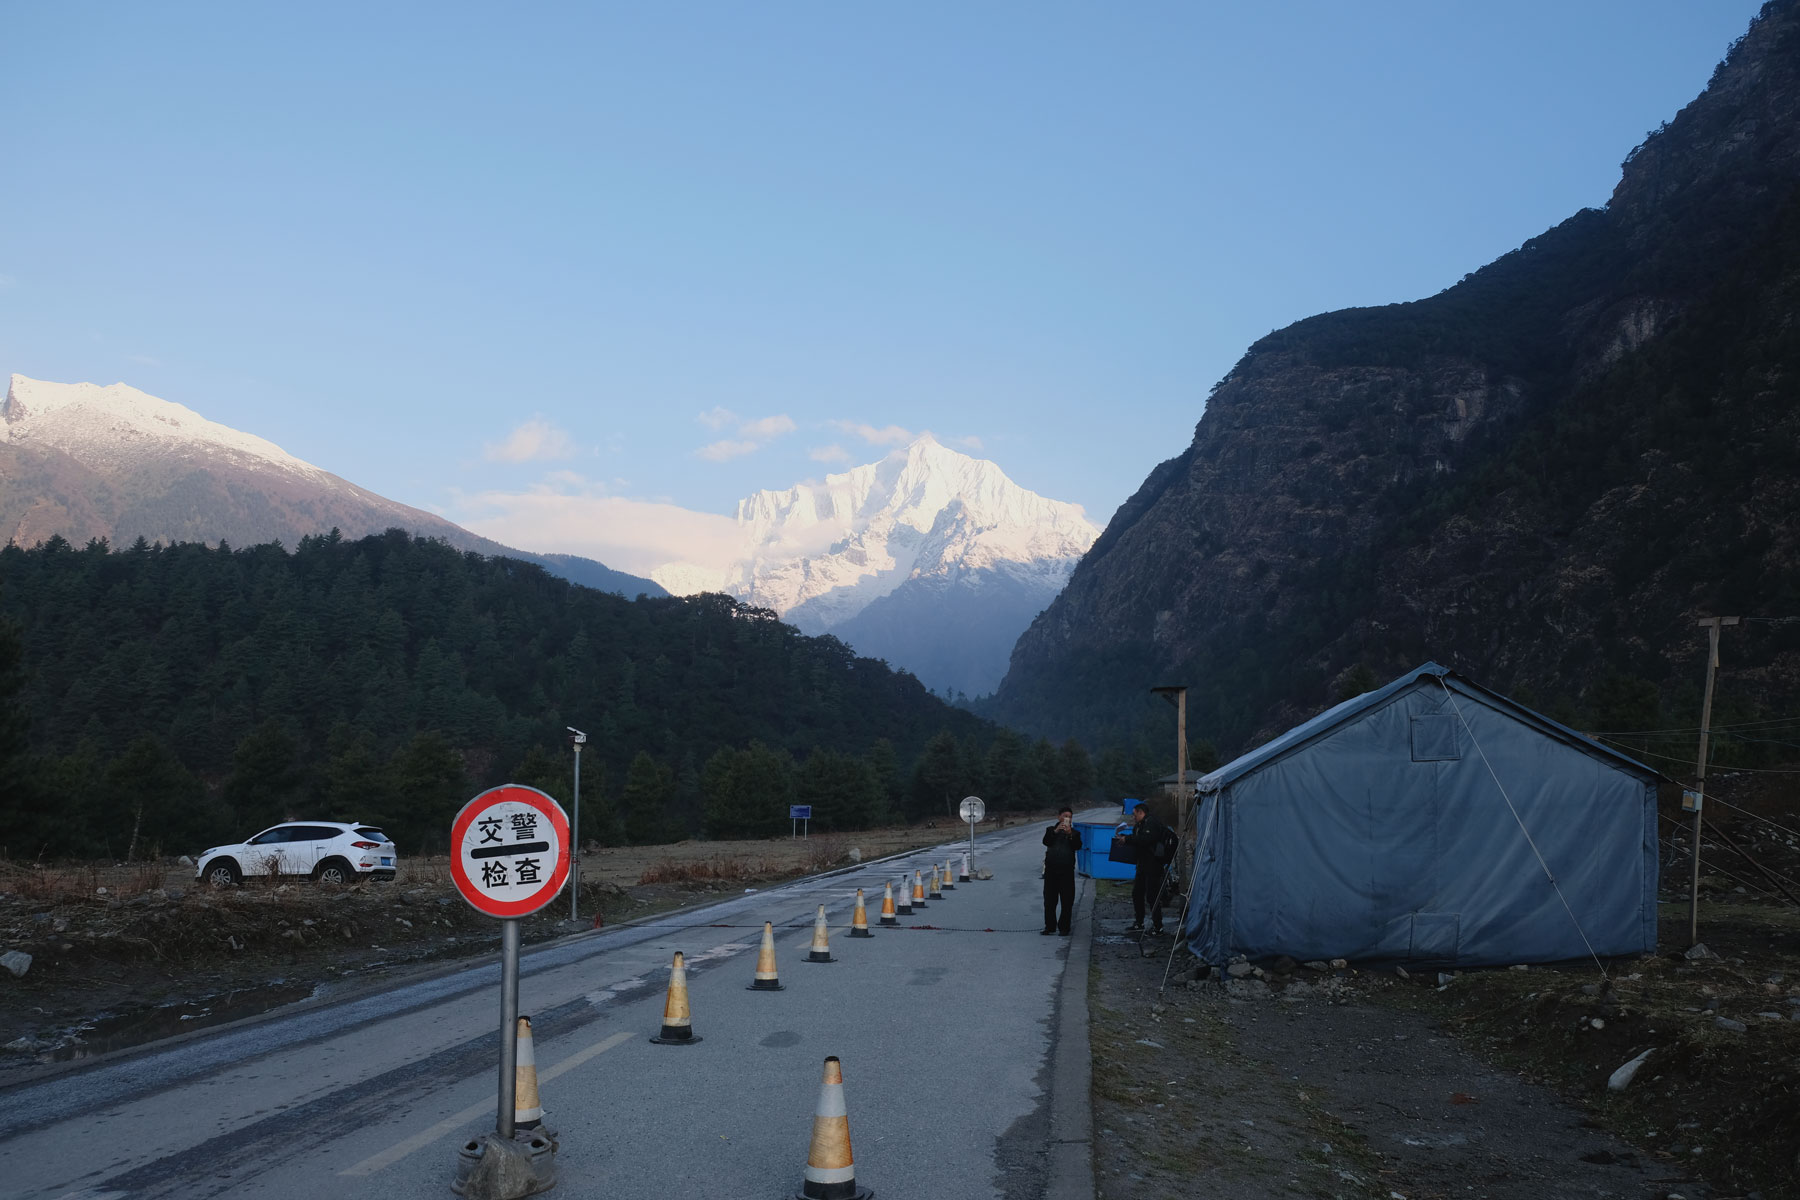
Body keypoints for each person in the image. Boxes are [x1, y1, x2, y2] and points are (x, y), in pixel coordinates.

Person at [1126, 804, 1176, 934]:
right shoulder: (1139, 826)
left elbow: (1145, 840)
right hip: (1142, 864)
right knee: (1137, 893)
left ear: (1141, 812)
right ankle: (1139, 922)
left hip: (1153, 865)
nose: (1133, 817)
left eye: (1134, 814)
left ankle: (1158, 925)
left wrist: (1128, 839)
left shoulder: (1152, 823)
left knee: (1152, 896)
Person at [1041, 806, 1081, 936]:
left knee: (1067, 900)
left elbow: (1077, 846)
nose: (1066, 819)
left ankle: (1064, 927)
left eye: (1069, 816)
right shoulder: (1050, 830)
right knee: (1049, 900)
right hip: (1051, 870)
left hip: (1067, 870)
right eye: (1064, 816)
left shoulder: (1075, 833)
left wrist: (1069, 834)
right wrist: (1056, 831)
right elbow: (1046, 841)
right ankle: (1050, 926)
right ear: (1059, 817)